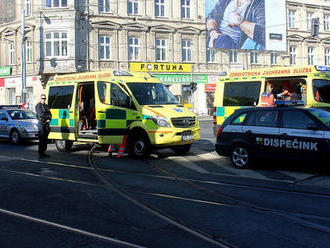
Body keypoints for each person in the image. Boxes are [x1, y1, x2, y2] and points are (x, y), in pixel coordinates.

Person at [35, 94, 52, 158]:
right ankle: (41, 153)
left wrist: (49, 119)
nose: (43, 99)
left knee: (45, 139)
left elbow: (50, 114)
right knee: (41, 139)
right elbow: (40, 115)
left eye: (44, 98)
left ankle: (44, 152)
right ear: (40, 98)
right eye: (42, 98)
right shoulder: (38, 106)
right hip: (41, 124)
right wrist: (45, 118)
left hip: (46, 124)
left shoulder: (47, 106)